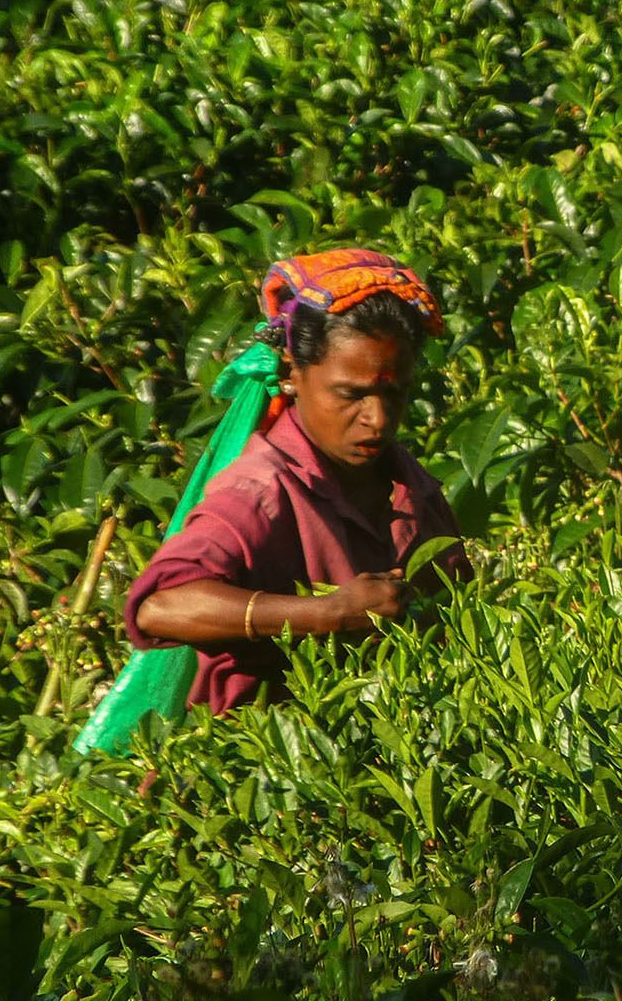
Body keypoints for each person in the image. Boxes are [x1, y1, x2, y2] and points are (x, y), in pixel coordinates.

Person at [125, 249, 471, 712]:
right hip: (268, 763)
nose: (377, 419)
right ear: (291, 374)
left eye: (395, 393)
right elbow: (162, 607)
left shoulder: (414, 488)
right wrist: (329, 614)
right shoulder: (259, 491)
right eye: (351, 394)